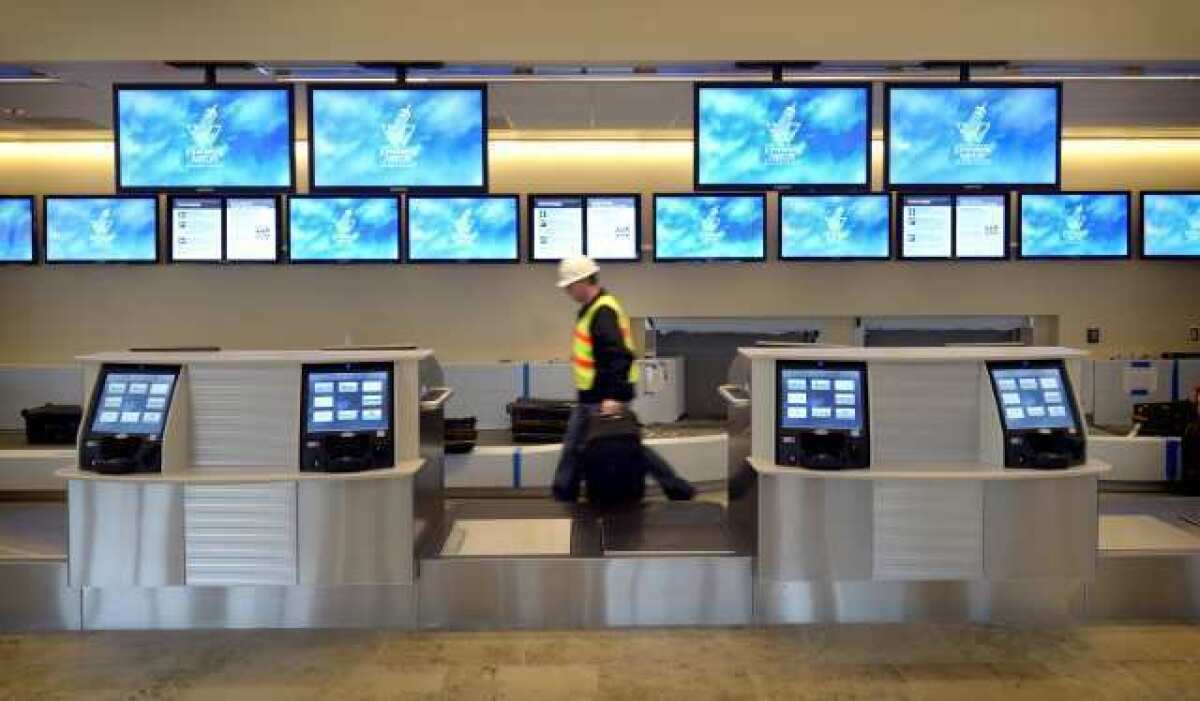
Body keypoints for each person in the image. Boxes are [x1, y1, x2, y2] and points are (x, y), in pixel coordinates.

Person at [551, 256, 694, 502]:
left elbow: (620, 355)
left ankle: (563, 496)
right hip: (592, 395)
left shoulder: (602, 311)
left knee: (586, 447)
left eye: (570, 284)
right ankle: (676, 487)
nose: (567, 290)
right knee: (589, 446)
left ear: (584, 280)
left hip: (602, 397)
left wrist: (614, 397)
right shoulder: (592, 310)